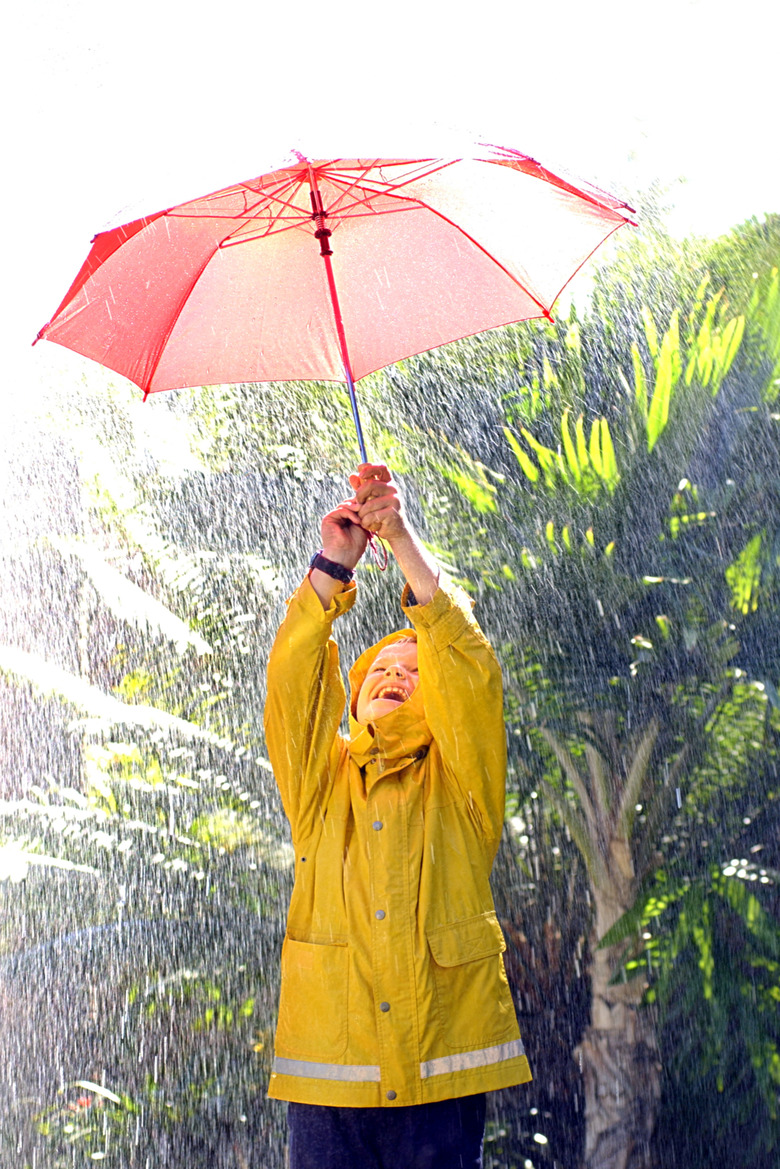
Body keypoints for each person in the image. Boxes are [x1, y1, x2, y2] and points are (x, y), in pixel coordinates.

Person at [264, 463, 531, 1169]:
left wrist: (401, 540)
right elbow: (295, 686)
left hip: (443, 1063)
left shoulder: (462, 786)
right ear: (351, 703)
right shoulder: (321, 787)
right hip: (332, 1069)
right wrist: (333, 566)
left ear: (436, 703)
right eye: (379, 670)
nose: (390, 674)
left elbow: (469, 668)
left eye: (412, 673)